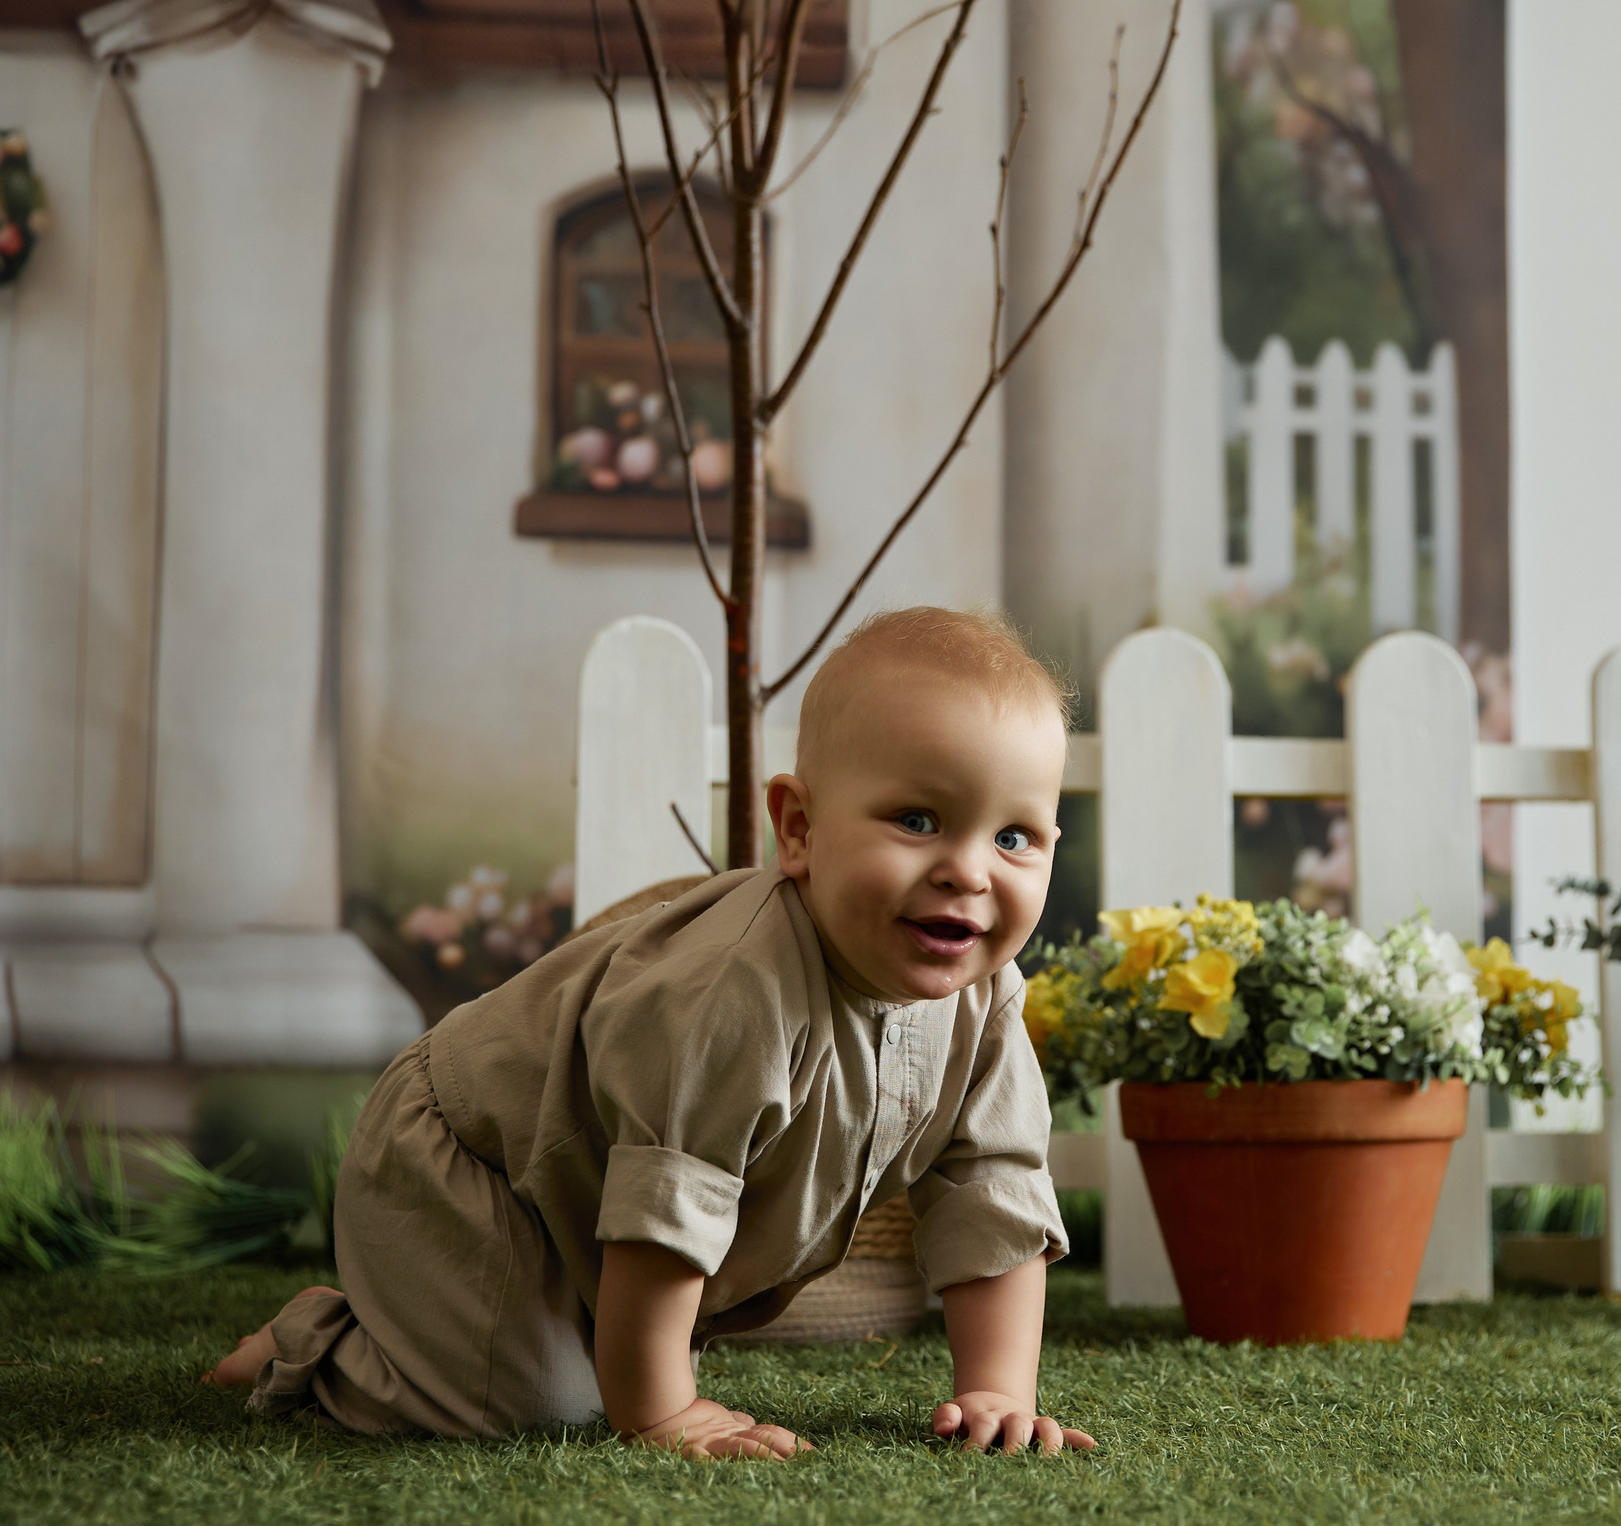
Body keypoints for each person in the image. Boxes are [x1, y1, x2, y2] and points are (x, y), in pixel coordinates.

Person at [207, 607, 1090, 1458]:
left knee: (586, 1371)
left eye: (1013, 836)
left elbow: (994, 1193)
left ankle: (424, 1325)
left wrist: (998, 1390)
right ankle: (324, 1347)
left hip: (588, 1203)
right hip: (472, 1161)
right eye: (918, 820)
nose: (968, 871)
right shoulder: (739, 993)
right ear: (800, 828)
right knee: (531, 1405)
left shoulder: (988, 1003)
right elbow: (669, 1206)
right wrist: (665, 1411)